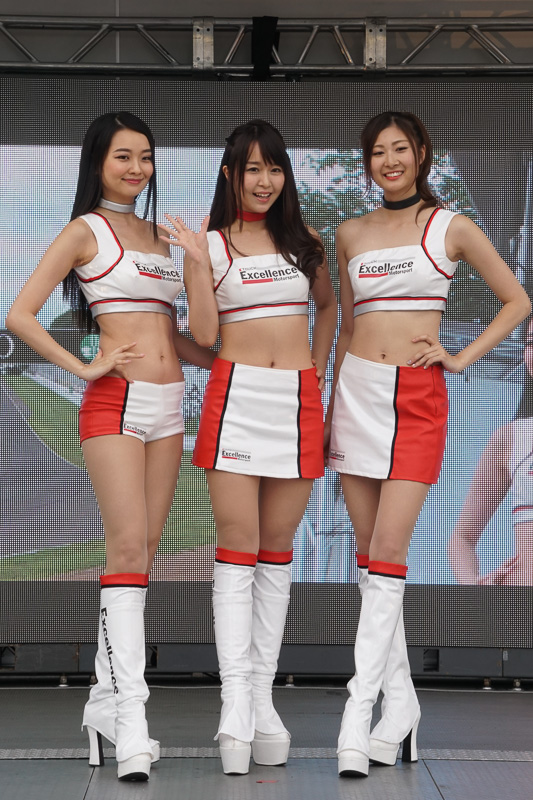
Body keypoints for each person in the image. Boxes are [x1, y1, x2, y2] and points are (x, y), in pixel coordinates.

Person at [6, 111, 213, 782]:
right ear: (98, 161)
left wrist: (231, 354)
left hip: (168, 407)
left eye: (145, 156)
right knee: (126, 552)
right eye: (123, 156)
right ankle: (132, 721)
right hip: (115, 403)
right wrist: (84, 366)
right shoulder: (83, 232)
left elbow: (179, 334)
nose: (136, 168)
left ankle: (101, 703)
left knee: (144, 554)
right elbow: (19, 315)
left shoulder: (160, 235)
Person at [325, 110, 530, 778]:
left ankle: (356, 716)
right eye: (377, 152)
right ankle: (403, 707)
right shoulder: (349, 233)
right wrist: (329, 409)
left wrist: (460, 356)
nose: (389, 161)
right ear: (368, 163)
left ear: (420, 154)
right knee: (369, 563)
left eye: (400, 149)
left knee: (388, 554)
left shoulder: (452, 226)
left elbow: (517, 302)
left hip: (416, 400)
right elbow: (346, 329)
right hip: (355, 395)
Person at [160, 119, 337, 775]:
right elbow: (205, 335)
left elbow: (328, 309)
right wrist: (197, 262)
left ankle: (262, 701)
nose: (264, 181)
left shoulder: (306, 241)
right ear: (229, 174)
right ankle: (235, 705)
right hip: (235, 400)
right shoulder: (206, 244)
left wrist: (318, 376)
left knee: (276, 553)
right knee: (237, 550)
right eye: (252, 169)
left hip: (296, 402)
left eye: (274, 168)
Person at [449, 316, 533, 585]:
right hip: (519, 602)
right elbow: (462, 538)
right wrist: (474, 585)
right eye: (531, 343)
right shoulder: (512, 438)